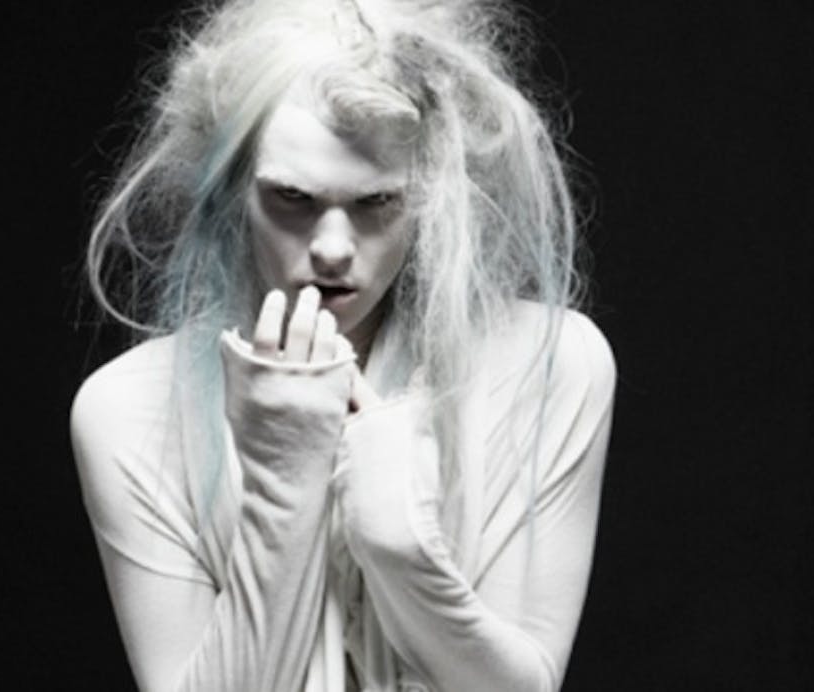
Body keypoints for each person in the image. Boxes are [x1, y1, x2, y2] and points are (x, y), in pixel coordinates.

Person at [70, 0, 616, 690]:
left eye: (376, 203)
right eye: (293, 198)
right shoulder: (129, 410)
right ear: (234, 191)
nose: (332, 248)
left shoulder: (546, 364)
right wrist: (282, 487)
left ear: (432, 197)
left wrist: (403, 552)